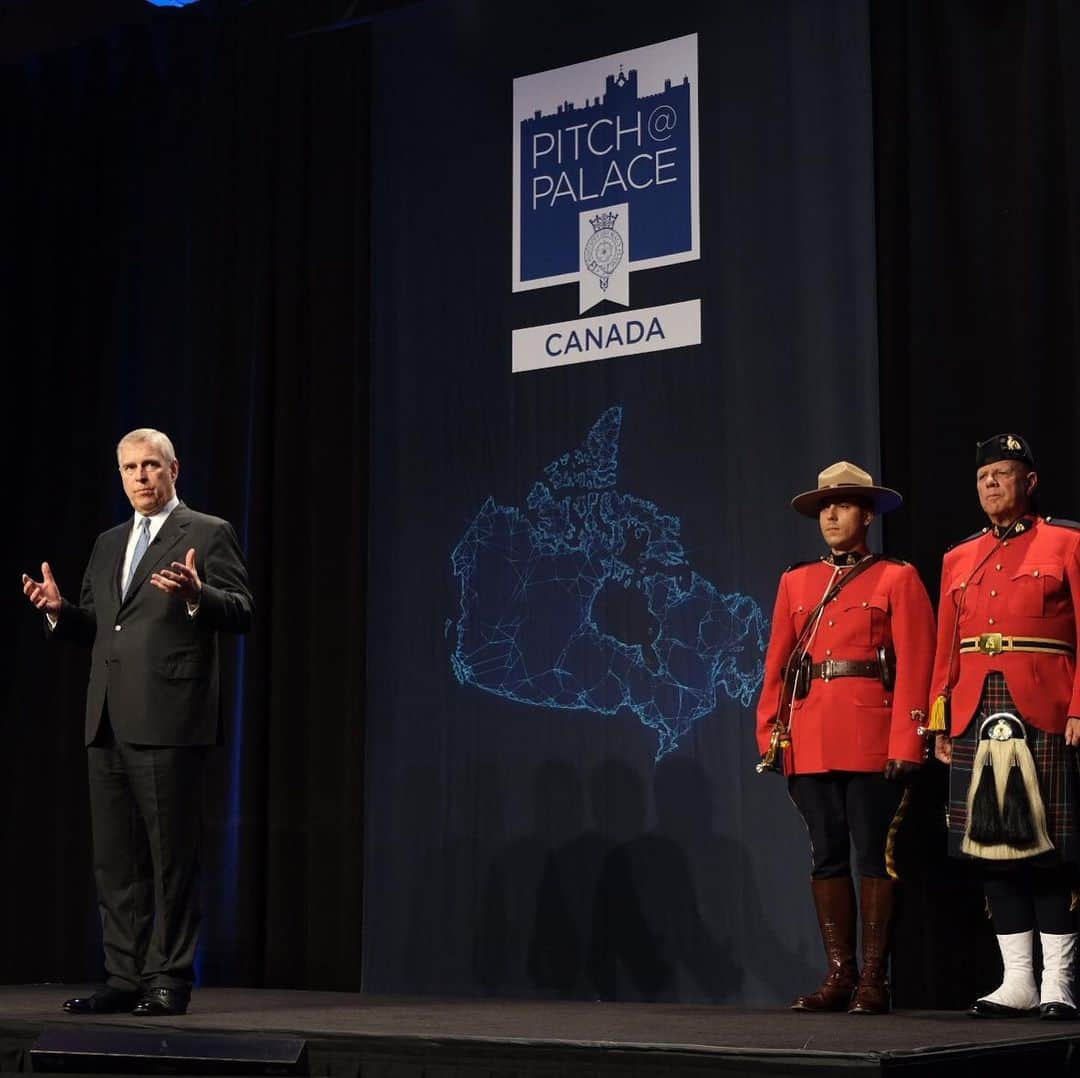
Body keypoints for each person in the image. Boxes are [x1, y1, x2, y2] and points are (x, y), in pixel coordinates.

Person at [21, 428, 253, 1017]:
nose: (140, 477)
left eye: (151, 465)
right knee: (117, 861)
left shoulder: (206, 532)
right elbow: (103, 624)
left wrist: (200, 593)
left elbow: (242, 609)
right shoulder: (107, 543)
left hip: (170, 719)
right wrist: (59, 614)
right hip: (106, 720)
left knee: (171, 857)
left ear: (174, 469)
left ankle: (167, 980)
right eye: (129, 468)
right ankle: (123, 977)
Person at [757, 461, 935, 1014]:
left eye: (844, 505)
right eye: (824, 508)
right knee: (826, 855)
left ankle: (874, 982)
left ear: (868, 515)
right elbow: (778, 665)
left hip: (872, 736)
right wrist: (770, 730)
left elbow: (918, 664)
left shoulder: (897, 577)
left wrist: (909, 740)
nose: (831, 515)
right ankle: (840, 975)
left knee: (873, 856)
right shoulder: (796, 580)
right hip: (809, 736)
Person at [931, 433, 1080, 1020]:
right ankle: (1017, 980)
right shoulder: (958, 557)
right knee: (991, 846)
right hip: (976, 704)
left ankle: (1058, 982)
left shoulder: (1066, 541)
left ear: (1030, 481)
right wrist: (939, 714)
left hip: (1044, 703)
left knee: (1048, 851)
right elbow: (947, 644)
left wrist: (1079, 707)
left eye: (1003, 472)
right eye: (983, 475)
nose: (991, 482)